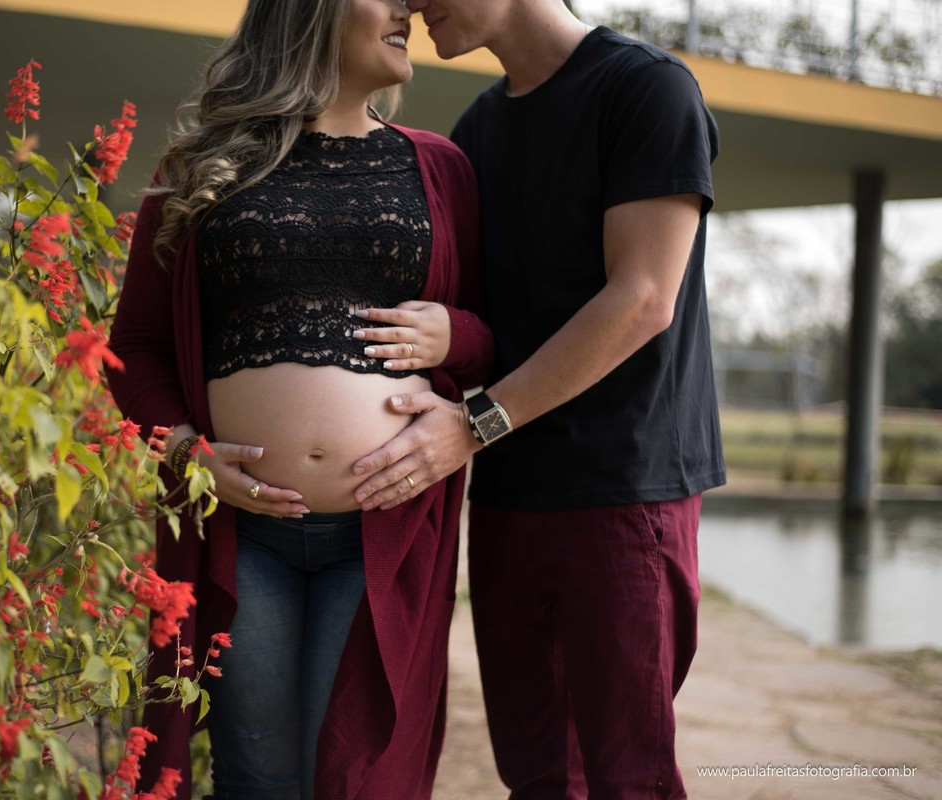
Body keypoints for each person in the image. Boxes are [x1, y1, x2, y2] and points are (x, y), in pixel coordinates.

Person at [106, 0, 494, 796]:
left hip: (383, 528)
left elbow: (496, 333)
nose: (407, 7)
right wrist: (184, 451)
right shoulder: (199, 165)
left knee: (350, 776)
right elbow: (134, 345)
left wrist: (453, 335)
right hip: (241, 535)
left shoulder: (440, 167)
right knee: (256, 776)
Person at [347, 0, 725, 797]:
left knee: (628, 779)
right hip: (509, 496)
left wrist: (473, 425)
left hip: (623, 493)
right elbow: (482, 318)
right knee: (537, 777)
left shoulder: (647, 89)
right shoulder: (477, 131)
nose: (411, 3)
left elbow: (643, 299)